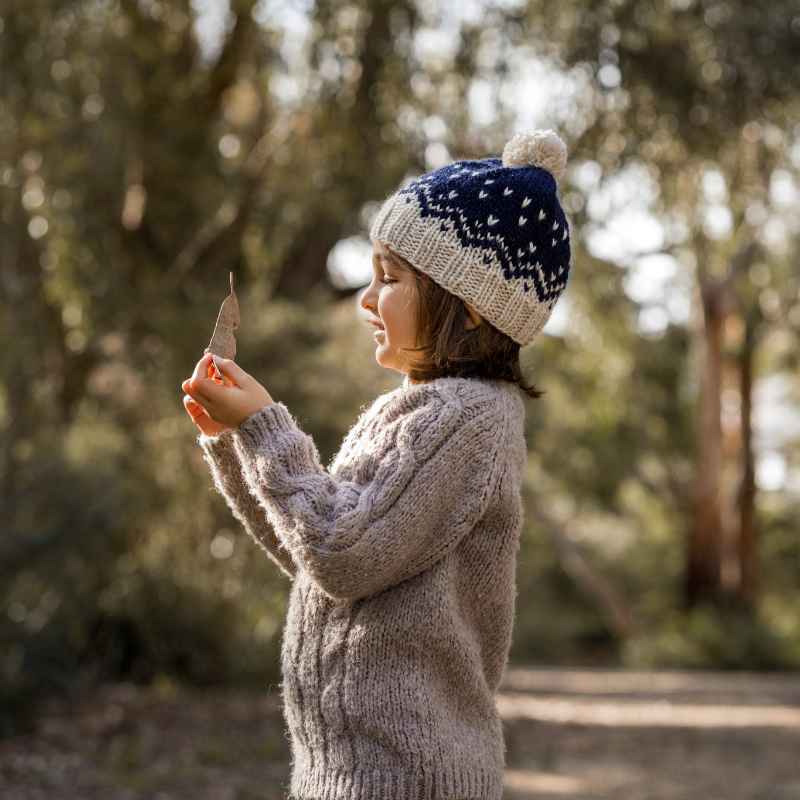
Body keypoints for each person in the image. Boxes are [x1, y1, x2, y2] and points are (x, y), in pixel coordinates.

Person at [181, 129, 572, 800]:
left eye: (390, 278)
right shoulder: (421, 410)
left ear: (470, 306)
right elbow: (322, 557)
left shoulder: (463, 419)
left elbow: (342, 551)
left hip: (405, 775)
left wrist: (264, 423)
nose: (366, 298)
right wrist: (236, 441)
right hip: (353, 771)